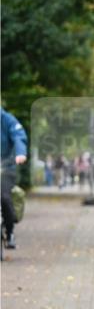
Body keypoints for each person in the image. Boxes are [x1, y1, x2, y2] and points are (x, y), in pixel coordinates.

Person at [1, 107, 28, 249]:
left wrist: (20, 153)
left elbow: (19, 136)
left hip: (6, 168)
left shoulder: (7, 119)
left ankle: (10, 233)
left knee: (5, 198)